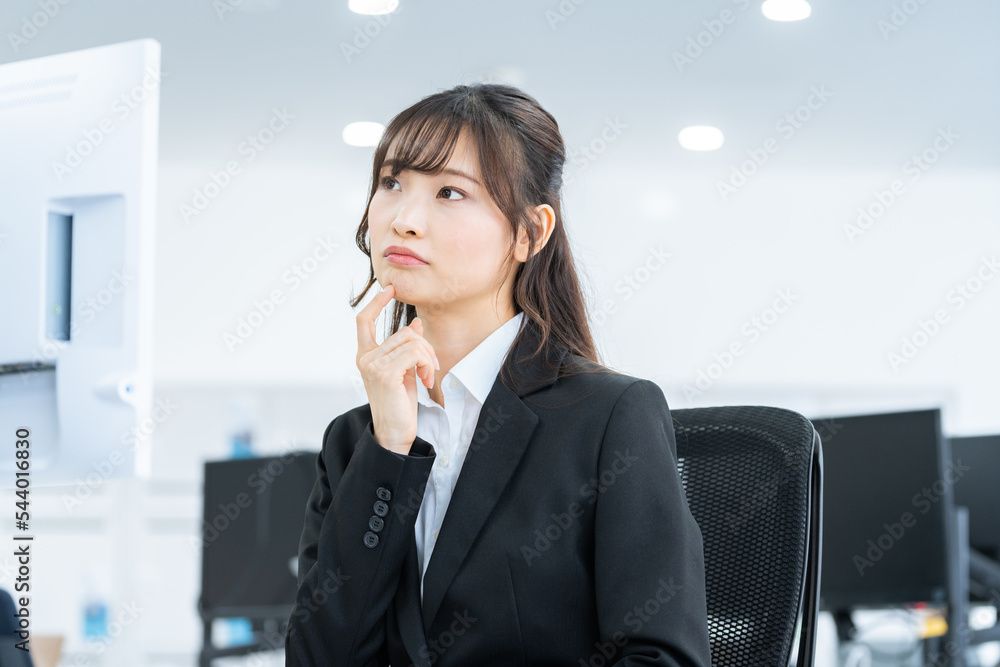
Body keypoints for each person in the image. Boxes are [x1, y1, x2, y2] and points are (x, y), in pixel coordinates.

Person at [284, 83, 712, 667]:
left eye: (450, 192)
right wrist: (388, 452)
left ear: (530, 233)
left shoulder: (609, 417)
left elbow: (661, 658)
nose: (404, 220)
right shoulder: (355, 440)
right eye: (391, 183)